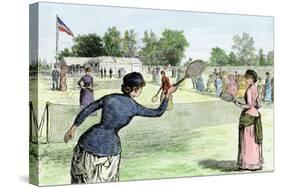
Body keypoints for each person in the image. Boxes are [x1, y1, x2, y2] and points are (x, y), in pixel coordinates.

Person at [64, 72, 177, 183]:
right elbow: (158, 112)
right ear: (135, 89)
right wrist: (167, 95)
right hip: (110, 150)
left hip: (86, 144)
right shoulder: (134, 107)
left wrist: (73, 128)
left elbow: (87, 109)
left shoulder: (110, 98)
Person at [234, 69, 263, 171]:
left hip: (249, 117)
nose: (245, 80)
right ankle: (255, 163)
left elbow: (249, 105)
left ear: (252, 78)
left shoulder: (250, 89)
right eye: (245, 78)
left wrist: (239, 104)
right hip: (255, 115)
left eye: (247, 78)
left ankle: (247, 163)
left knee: (247, 140)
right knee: (253, 141)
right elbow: (258, 104)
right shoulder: (256, 88)